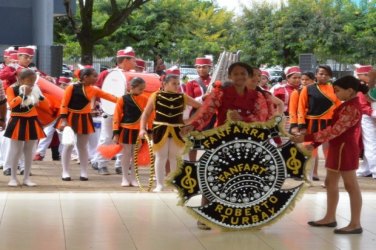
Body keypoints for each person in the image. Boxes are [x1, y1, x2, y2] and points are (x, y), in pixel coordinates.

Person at [183, 62, 266, 230]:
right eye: (236, 74)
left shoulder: (257, 96)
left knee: (244, 178)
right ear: (230, 76)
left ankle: (243, 216)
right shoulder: (220, 93)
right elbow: (206, 112)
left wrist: (243, 119)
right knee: (212, 175)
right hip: (221, 139)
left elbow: (262, 118)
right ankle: (205, 215)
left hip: (246, 141)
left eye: (243, 73)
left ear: (249, 76)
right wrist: (193, 125)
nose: (240, 77)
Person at [291, 75, 367, 234]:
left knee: (351, 185)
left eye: (338, 91)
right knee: (331, 182)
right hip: (338, 147)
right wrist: (314, 143)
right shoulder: (348, 105)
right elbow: (334, 131)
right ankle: (330, 217)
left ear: (350, 91)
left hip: (344, 148)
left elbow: (335, 130)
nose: (335, 94)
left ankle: (355, 223)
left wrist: (308, 138)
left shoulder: (352, 107)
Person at [139, 74, 201, 192]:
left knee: (174, 157)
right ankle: (160, 184)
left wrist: (190, 121)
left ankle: (174, 184)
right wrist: (142, 128)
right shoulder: (155, 95)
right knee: (161, 157)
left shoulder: (182, 96)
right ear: (164, 84)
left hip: (177, 130)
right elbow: (146, 114)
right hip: (160, 129)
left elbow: (200, 107)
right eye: (174, 84)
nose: (177, 86)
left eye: (178, 84)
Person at [56, 68, 117, 181]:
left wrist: (125, 99)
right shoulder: (72, 87)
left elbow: (110, 97)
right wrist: (64, 119)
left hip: (84, 118)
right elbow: (64, 103)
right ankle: (65, 171)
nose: (96, 78)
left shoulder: (94, 89)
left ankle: (84, 171)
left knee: (82, 146)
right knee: (68, 145)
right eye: (94, 76)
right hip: (69, 118)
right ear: (85, 77)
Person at [92, 47, 136, 175]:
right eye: (133, 60)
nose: (135, 63)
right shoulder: (108, 73)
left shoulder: (134, 75)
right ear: (125, 60)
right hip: (110, 111)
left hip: (127, 113)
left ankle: (120, 165)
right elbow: (97, 89)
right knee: (107, 138)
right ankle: (100, 163)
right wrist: (96, 104)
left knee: (124, 139)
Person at [4, 69, 47, 186]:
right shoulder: (11, 89)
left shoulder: (35, 88)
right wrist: (23, 95)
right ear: (21, 79)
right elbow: (12, 104)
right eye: (29, 81)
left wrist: (39, 97)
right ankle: (13, 178)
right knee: (16, 151)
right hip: (17, 120)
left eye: (34, 81)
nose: (32, 83)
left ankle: (26, 178)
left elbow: (42, 102)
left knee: (29, 151)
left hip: (32, 120)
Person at [297, 65, 341, 181]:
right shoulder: (308, 88)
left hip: (329, 123)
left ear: (330, 76)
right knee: (310, 149)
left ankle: (330, 178)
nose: (323, 76)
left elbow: (338, 107)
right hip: (312, 122)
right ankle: (309, 176)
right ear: (316, 75)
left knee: (329, 150)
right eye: (321, 73)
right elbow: (301, 107)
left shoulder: (334, 89)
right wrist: (301, 125)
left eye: (326, 74)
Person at [113, 77, 150, 187]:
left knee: (135, 155)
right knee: (126, 154)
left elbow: (150, 115)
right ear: (131, 87)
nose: (142, 91)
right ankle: (125, 177)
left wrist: (150, 130)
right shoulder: (123, 99)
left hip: (139, 131)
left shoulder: (145, 99)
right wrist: (115, 132)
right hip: (125, 129)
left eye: (143, 89)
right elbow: (116, 116)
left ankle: (134, 178)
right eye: (140, 89)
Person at [354, 65, 376, 178]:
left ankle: (365, 169)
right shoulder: (360, 88)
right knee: (371, 144)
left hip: (372, 114)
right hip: (367, 117)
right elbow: (362, 106)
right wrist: (373, 113)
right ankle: (374, 170)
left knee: (371, 144)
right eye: (367, 75)